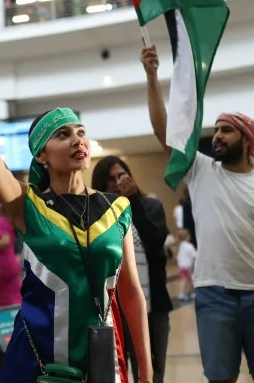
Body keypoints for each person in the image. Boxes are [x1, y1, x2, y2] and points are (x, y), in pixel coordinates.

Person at [0, 14, 152, 383]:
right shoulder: (27, 206)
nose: (78, 140)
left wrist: (147, 370)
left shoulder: (117, 209)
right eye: (63, 135)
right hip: (36, 364)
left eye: (81, 132)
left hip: (103, 360)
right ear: (42, 156)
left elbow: (131, 295)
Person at [141, 45, 254, 383]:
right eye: (216, 130)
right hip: (214, 294)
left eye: (227, 130)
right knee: (219, 378)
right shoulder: (200, 169)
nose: (218, 137)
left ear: (247, 138)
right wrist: (152, 76)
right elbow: (163, 133)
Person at [92, 156, 171, 383]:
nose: (118, 182)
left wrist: (133, 201)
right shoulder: (97, 216)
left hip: (152, 306)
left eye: (122, 176)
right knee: (114, 372)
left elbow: (156, 244)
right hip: (111, 309)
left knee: (152, 373)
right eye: (110, 179)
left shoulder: (151, 206)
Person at [0, 213, 23, 310]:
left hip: (3, 264)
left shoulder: (2, 221)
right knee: (13, 296)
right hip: (12, 261)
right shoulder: (9, 219)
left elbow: (5, 241)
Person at [176, 229, 197, 302]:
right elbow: (194, 256)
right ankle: (193, 293)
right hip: (188, 266)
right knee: (192, 279)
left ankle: (181, 293)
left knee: (183, 279)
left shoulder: (180, 246)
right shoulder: (189, 246)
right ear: (187, 237)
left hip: (181, 266)